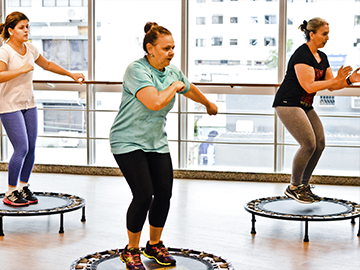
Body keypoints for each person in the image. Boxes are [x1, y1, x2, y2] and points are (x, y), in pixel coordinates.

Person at [110, 22, 218, 269]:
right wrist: (174, 87)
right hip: (127, 140)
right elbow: (155, 102)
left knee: (164, 193)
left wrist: (207, 104)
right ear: (150, 48)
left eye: (173, 48)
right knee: (143, 194)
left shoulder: (172, 72)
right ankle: (131, 249)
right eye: (166, 48)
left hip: (155, 142)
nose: (171, 52)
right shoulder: (136, 70)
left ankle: (154, 245)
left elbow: (188, 88)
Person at [0, 12, 85, 206]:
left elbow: (46, 64)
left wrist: (70, 74)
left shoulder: (30, 48)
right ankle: (10, 191)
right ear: (11, 31)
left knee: (31, 149)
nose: (26, 30)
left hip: (29, 104)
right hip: (9, 106)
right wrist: (20, 71)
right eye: (22, 27)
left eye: (27, 26)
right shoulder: (5, 51)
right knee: (21, 148)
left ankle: (23, 186)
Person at [272, 17, 360, 204]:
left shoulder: (323, 57)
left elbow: (332, 86)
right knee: (308, 144)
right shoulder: (302, 55)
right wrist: (336, 79)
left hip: (304, 105)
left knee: (319, 143)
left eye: (328, 34)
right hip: (288, 102)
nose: (327, 38)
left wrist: (351, 80)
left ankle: (303, 187)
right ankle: (293, 187)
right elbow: (309, 86)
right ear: (311, 34)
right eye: (324, 34)